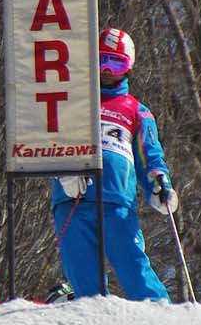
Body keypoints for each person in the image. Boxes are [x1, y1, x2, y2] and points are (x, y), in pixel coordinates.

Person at [47, 28, 177, 303]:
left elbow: (150, 155)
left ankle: (158, 308)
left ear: (128, 67)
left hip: (116, 200)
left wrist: (158, 182)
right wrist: (64, 170)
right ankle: (90, 313)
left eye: (115, 63)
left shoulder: (136, 110)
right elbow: (52, 140)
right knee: (81, 268)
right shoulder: (73, 102)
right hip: (73, 197)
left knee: (131, 261)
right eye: (102, 61)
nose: (107, 70)